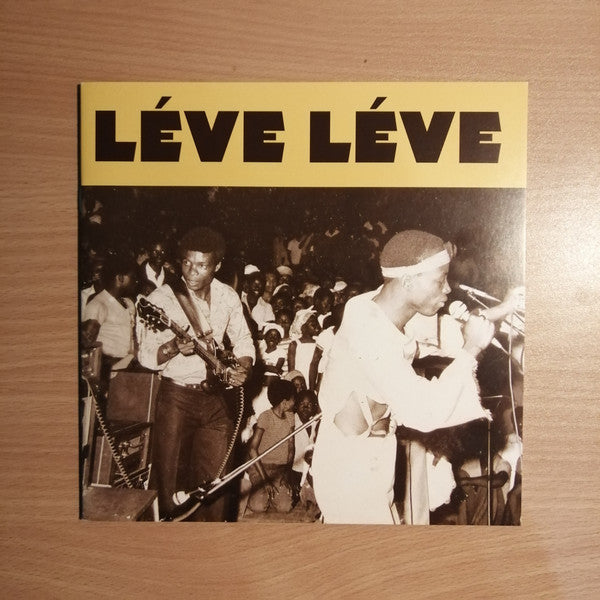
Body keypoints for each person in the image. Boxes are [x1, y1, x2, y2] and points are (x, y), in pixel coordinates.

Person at [311, 230, 495, 524]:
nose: (448, 289)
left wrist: (504, 310)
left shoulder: (373, 305)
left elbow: (433, 338)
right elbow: (423, 411)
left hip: (372, 460)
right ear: (408, 280)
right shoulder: (370, 332)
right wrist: (471, 349)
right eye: (440, 280)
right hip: (350, 471)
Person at [136, 227, 254, 521]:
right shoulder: (162, 299)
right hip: (177, 398)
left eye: (202, 265)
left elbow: (243, 340)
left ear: (217, 266)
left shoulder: (227, 296)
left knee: (216, 483)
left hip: (217, 399)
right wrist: (173, 347)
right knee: (169, 483)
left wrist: (243, 366)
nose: (191, 271)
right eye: (187, 262)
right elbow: (146, 356)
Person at [246, 379, 296, 514]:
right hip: (261, 468)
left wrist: (286, 474)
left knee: (285, 507)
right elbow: (252, 449)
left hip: (279, 470)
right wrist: (265, 481)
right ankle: (258, 490)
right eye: (293, 399)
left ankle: (270, 494)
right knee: (258, 507)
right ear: (284, 402)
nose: (295, 401)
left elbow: (291, 448)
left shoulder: (290, 417)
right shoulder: (265, 417)